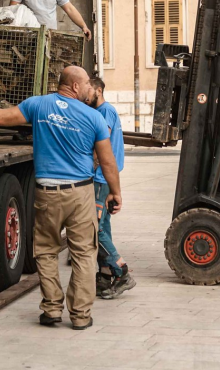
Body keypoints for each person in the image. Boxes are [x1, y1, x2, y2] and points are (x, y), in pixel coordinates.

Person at [0, 66, 121, 330]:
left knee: (45, 251)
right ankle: (80, 315)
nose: (91, 89)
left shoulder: (37, 106)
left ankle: (52, 310)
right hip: (80, 194)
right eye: (88, 84)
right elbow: (107, 162)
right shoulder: (94, 118)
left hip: (47, 194)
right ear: (75, 87)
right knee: (84, 254)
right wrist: (115, 192)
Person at [88, 77, 134, 299]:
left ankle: (121, 270)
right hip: (105, 178)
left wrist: (89, 167)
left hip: (100, 178)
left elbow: (100, 145)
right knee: (103, 224)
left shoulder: (104, 112)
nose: (85, 94)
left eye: (89, 90)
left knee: (95, 229)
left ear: (98, 90)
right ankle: (106, 276)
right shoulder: (107, 111)